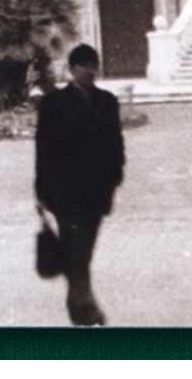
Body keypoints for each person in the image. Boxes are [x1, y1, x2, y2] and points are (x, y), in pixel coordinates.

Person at [34, 43, 125, 327]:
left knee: (84, 250)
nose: (90, 72)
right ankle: (84, 307)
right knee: (76, 249)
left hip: (97, 192)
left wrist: (115, 175)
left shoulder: (107, 101)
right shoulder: (54, 104)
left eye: (93, 66)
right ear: (72, 70)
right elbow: (44, 149)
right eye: (83, 66)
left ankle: (79, 300)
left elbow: (116, 143)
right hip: (66, 193)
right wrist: (42, 190)